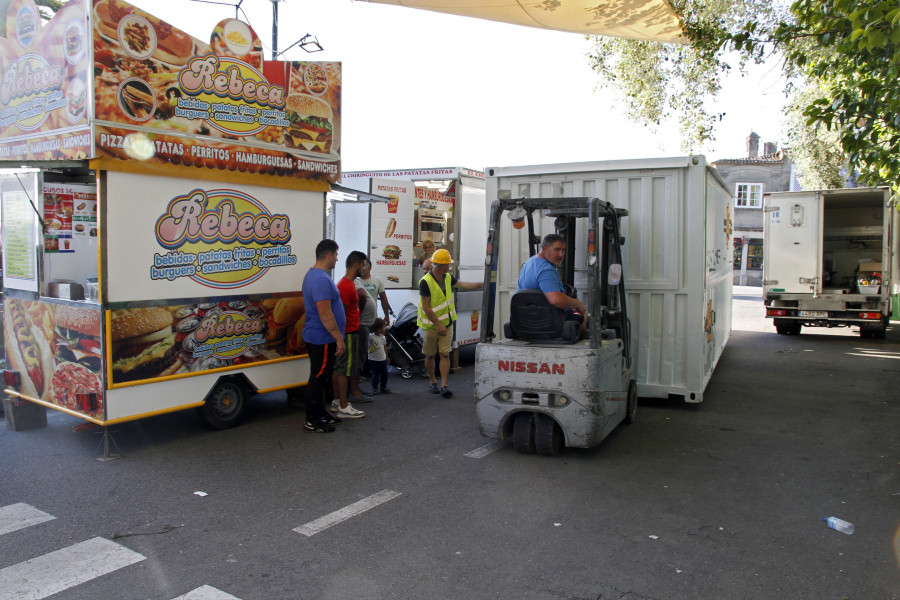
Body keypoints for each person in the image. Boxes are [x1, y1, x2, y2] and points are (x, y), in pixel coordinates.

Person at [418, 248, 482, 398]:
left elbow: (463, 285)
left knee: (444, 354)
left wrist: (482, 283)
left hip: (447, 324)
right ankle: (433, 381)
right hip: (431, 326)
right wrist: (438, 324)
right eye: (447, 264)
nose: (449, 267)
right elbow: (426, 307)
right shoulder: (425, 282)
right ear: (440, 265)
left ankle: (444, 385)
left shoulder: (447, 277)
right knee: (430, 355)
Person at [301, 239, 346, 433]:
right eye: (336, 255)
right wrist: (338, 338)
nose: (337, 259)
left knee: (322, 377)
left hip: (320, 337)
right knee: (318, 378)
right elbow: (325, 313)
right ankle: (312, 419)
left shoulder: (315, 275)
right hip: (322, 338)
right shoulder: (320, 279)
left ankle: (321, 413)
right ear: (328, 255)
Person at [331, 250, 368, 419]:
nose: (365, 268)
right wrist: (341, 337)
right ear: (356, 265)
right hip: (348, 333)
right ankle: (344, 406)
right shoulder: (345, 286)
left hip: (348, 332)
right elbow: (341, 314)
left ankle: (337, 402)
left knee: (340, 368)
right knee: (344, 370)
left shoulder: (348, 284)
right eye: (363, 265)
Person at [517, 233, 588, 319]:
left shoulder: (530, 262)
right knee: (582, 314)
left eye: (563, 250)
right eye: (557, 250)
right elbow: (556, 300)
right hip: (548, 317)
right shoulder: (546, 269)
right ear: (544, 248)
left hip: (527, 315)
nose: (561, 254)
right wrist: (578, 303)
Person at [359, 258, 393, 325]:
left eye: (364, 266)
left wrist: (386, 315)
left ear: (369, 267)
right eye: (361, 266)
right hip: (359, 319)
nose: (362, 268)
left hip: (373, 318)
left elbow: (383, 298)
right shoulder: (356, 281)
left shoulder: (377, 280)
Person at [367, 317, 391, 394]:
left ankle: (383, 387)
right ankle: (374, 387)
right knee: (375, 374)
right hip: (373, 360)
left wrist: (386, 356)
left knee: (385, 374)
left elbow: (385, 347)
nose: (385, 328)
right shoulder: (370, 336)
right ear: (379, 329)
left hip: (382, 359)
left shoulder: (383, 337)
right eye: (384, 327)